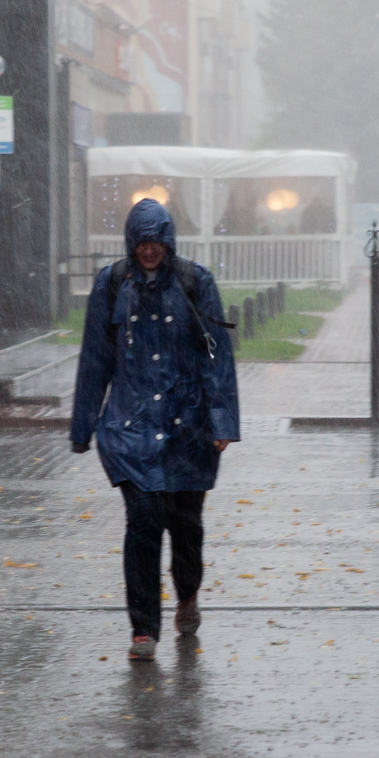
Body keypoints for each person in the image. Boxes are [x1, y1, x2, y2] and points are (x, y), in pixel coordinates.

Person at [70, 198, 239, 661]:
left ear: (168, 241)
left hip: (189, 429)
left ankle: (187, 594)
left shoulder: (195, 282)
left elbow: (215, 356)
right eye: (141, 243)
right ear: (131, 243)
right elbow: (95, 358)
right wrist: (83, 425)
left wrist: (222, 420)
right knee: (142, 522)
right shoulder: (111, 284)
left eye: (156, 242)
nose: (149, 252)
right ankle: (142, 628)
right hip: (131, 429)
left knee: (186, 527)